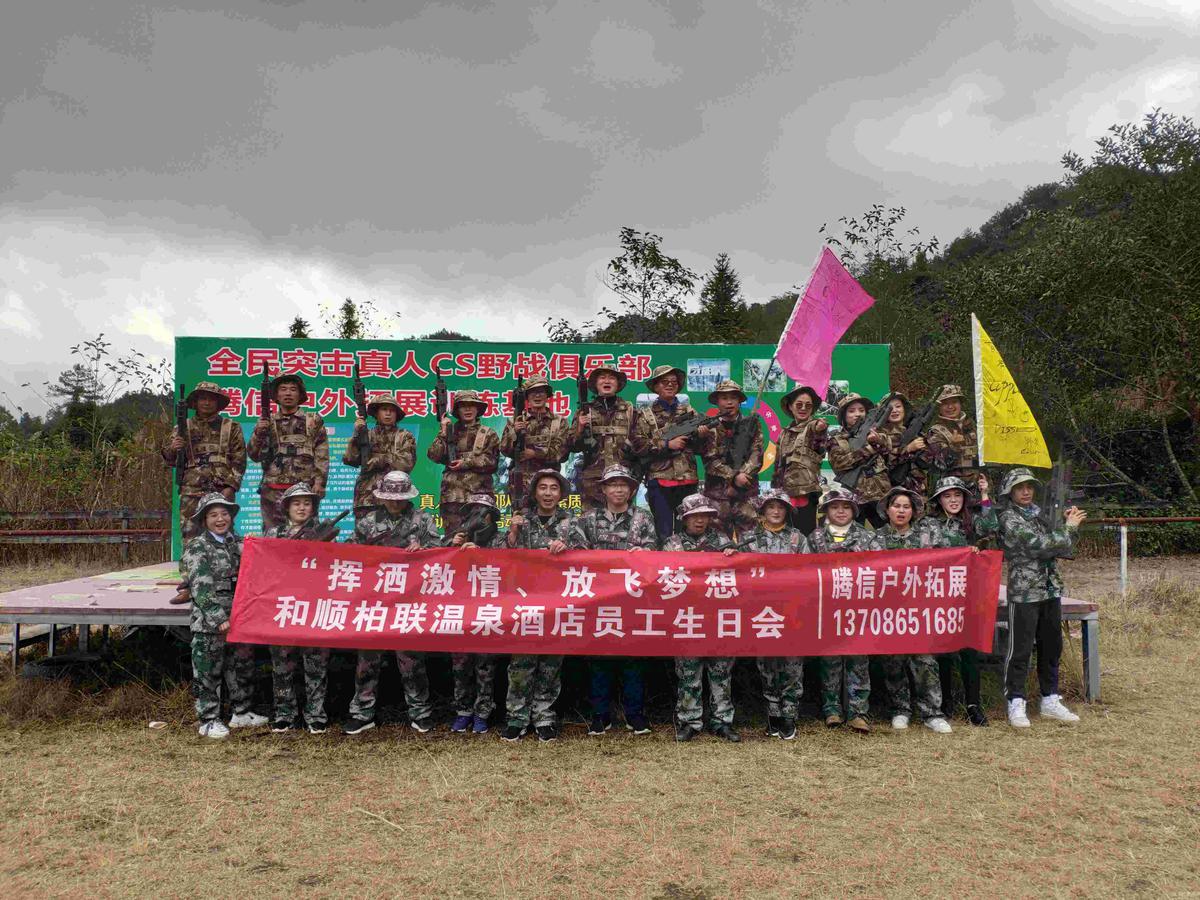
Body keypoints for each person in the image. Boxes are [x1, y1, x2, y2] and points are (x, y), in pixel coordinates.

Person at [343, 471, 442, 736]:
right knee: (367, 659)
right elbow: (350, 552)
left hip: (409, 600)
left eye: (400, 497)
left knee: (411, 659)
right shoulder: (368, 522)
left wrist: (423, 551)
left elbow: (440, 554)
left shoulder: (422, 519)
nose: (395, 502)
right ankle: (362, 712)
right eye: (390, 497)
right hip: (374, 600)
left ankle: (420, 711)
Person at [567, 465, 658, 735]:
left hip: (633, 599)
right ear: (604, 489)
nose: (619, 489)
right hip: (598, 599)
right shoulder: (588, 519)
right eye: (613, 484)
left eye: (624, 484)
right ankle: (600, 715)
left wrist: (644, 553)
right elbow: (578, 553)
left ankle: (634, 714)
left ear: (631, 490)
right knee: (599, 658)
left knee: (634, 658)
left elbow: (653, 549)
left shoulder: (643, 518)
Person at [996, 467, 1087, 728]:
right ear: (1010, 492)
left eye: (1029, 487)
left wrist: (1066, 529)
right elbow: (1039, 545)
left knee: (1051, 647)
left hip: (1050, 589)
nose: (1026, 492)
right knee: (1020, 650)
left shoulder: (1040, 516)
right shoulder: (1009, 519)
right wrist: (1068, 529)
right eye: (1020, 488)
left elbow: (1064, 548)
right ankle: (1016, 700)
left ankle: (1049, 698)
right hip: (1025, 593)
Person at [182, 492, 265, 738]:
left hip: (239, 619)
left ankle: (241, 713)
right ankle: (208, 720)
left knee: (240, 667)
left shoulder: (238, 543)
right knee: (208, 672)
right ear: (204, 520)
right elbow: (201, 587)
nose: (220, 519)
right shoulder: (198, 546)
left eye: (224, 513)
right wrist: (218, 618)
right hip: (210, 623)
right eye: (213, 515)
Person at [500, 469, 575, 742]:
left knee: (550, 663)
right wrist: (512, 531)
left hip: (557, 601)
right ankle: (516, 717)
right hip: (524, 601)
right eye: (542, 487)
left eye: (554, 488)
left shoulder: (571, 522)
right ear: (534, 492)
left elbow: (586, 554)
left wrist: (567, 546)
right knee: (521, 662)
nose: (548, 493)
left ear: (561, 493)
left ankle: (544, 716)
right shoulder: (522, 520)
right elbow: (500, 555)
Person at [919, 475, 999, 726]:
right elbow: (924, 553)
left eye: (957, 495)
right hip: (939, 593)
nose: (953, 500)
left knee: (969, 649)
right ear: (939, 500)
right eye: (947, 496)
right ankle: (945, 702)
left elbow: (991, 527)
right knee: (942, 649)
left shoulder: (971, 521)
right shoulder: (929, 523)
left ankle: (973, 705)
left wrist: (985, 495)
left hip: (967, 593)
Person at [872, 486, 953, 734]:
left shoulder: (927, 536)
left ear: (913, 511)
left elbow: (949, 559)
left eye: (906, 507)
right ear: (887, 510)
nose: (901, 511)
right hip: (889, 610)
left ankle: (932, 712)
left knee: (925, 660)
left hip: (920, 611)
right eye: (896, 506)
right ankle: (900, 710)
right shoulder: (875, 539)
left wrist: (969, 553)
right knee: (893, 661)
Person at [662, 494, 740, 742]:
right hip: (686, 616)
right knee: (688, 672)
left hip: (718, 616)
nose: (699, 520)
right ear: (684, 518)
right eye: (694, 516)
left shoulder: (723, 541)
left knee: (721, 672)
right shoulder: (672, 544)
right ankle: (689, 721)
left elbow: (738, 576)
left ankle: (722, 721)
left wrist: (733, 555)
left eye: (704, 515)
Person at [738, 488, 809, 740]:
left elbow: (809, 573)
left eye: (780, 507)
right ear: (762, 511)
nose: (776, 511)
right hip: (762, 611)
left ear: (787, 512)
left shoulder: (798, 539)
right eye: (771, 507)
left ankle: (789, 714)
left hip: (791, 609)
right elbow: (740, 572)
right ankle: (773, 713)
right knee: (766, 663)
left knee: (792, 663)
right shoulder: (748, 539)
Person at [263, 483, 332, 734]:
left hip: (313, 607)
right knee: (282, 664)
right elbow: (262, 565)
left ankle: (316, 715)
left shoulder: (325, 531)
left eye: (307, 503)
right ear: (286, 507)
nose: (302, 508)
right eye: (296, 503)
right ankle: (285, 714)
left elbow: (336, 564)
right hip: (282, 607)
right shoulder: (273, 534)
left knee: (316, 664)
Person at [808, 486, 875, 732]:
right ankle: (832, 710)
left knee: (859, 659)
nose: (840, 511)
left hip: (859, 607)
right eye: (834, 507)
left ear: (854, 511)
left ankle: (858, 712)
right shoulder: (815, 538)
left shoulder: (867, 538)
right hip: (827, 607)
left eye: (846, 507)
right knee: (830, 660)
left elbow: (881, 569)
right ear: (826, 511)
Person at [445, 493, 503, 734]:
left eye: (482, 512)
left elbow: (509, 566)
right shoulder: (455, 537)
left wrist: (479, 553)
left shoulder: (500, 540)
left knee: (485, 666)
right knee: (460, 664)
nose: (477, 516)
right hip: (460, 610)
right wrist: (452, 547)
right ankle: (463, 710)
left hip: (489, 611)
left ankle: (483, 711)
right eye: (472, 511)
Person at [163, 381, 247, 540]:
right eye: (203, 398)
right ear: (195, 402)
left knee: (223, 536)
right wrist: (173, 448)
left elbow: (239, 460)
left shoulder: (232, 427)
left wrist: (230, 487)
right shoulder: (182, 427)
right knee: (191, 536)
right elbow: (169, 459)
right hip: (191, 492)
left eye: (212, 399)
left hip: (221, 491)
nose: (207, 403)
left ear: (218, 403)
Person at [247, 373, 329, 534]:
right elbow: (254, 455)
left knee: (308, 533)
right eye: (283, 389)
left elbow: (322, 454)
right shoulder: (267, 421)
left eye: (293, 389)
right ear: (276, 395)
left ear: (300, 394)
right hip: (273, 490)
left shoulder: (313, 420)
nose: (288, 393)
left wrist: (320, 482)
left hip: (304, 491)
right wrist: (259, 432)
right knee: (273, 534)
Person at [634, 365, 707, 540]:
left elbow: (701, 449)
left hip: (687, 480)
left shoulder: (690, 412)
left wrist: (701, 436)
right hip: (660, 481)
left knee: (688, 532)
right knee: (663, 531)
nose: (670, 385)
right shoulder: (646, 414)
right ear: (656, 386)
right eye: (664, 382)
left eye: (674, 382)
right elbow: (639, 445)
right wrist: (667, 444)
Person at [427, 388, 499, 537]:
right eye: (463, 406)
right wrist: (443, 432)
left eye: (471, 405)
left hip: (480, 499)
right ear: (457, 410)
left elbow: (492, 462)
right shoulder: (449, 431)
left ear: (478, 409)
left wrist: (466, 463)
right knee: (454, 541)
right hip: (453, 499)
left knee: (481, 541)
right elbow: (434, 455)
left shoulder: (488, 433)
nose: (467, 409)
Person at [701, 379, 764, 540]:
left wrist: (742, 476)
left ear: (739, 401)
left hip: (746, 493)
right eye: (724, 398)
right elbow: (710, 461)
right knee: (718, 543)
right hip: (717, 495)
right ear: (717, 402)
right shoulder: (709, 427)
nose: (729, 402)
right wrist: (734, 477)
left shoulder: (751, 423)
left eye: (733, 398)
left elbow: (757, 454)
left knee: (751, 541)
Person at [570, 365, 639, 510]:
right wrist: (580, 429)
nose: (607, 381)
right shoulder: (584, 410)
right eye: (602, 378)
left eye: (612, 378)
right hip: (592, 480)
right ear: (596, 384)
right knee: (590, 520)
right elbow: (572, 446)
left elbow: (639, 441)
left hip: (622, 479)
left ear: (618, 384)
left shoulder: (630, 410)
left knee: (623, 519)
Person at [499, 375, 570, 511]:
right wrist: (514, 432)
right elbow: (504, 450)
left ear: (547, 395)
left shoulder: (559, 421)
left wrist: (534, 453)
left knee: (550, 520)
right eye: (532, 392)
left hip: (549, 486)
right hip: (520, 485)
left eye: (541, 392)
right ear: (526, 397)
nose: (537, 396)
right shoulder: (515, 420)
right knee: (521, 520)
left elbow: (562, 453)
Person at [771, 385, 832, 535]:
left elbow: (817, 433)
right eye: (799, 405)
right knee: (784, 536)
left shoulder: (814, 426)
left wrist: (820, 428)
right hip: (784, 494)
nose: (803, 408)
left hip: (806, 494)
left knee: (805, 537)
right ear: (790, 407)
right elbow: (778, 466)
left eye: (808, 405)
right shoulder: (783, 434)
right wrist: (775, 493)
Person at [342, 392, 415, 517]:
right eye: (384, 409)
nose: (388, 413)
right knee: (365, 530)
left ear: (397, 414)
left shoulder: (405, 436)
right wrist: (356, 435)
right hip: (366, 498)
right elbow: (350, 459)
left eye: (392, 410)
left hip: (395, 500)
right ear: (376, 413)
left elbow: (406, 464)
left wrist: (380, 459)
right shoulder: (367, 434)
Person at [828, 393, 890, 528]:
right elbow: (839, 463)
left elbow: (888, 452)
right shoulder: (837, 439)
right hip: (852, 497)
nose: (857, 414)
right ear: (844, 416)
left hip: (879, 495)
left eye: (861, 410)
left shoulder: (878, 434)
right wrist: (867, 450)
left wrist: (877, 441)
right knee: (853, 535)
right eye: (851, 411)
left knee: (887, 534)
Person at [875, 393, 933, 495]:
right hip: (891, 492)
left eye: (898, 406)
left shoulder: (914, 431)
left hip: (918, 491)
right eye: (890, 408)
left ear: (904, 409)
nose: (894, 410)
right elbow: (883, 462)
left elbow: (926, 464)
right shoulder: (878, 436)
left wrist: (924, 448)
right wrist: (908, 449)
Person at [925, 385, 979, 479]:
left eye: (954, 402)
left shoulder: (975, 425)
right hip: (952, 484)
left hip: (981, 482)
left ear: (960, 403)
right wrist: (954, 447)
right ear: (939, 407)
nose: (950, 407)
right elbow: (941, 463)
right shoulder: (935, 432)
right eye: (945, 403)